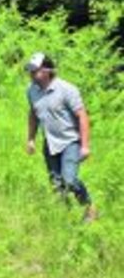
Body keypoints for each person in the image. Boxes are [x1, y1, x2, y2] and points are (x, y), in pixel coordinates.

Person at [24, 52, 98, 222]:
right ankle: (65, 219)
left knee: (69, 180)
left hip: (69, 142)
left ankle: (89, 207)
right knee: (57, 186)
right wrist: (31, 139)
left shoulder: (67, 89)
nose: (32, 74)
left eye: (35, 71)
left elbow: (82, 116)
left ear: (47, 70)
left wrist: (85, 146)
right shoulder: (31, 91)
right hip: (49, 143)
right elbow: (33, 114)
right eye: (30, 71)